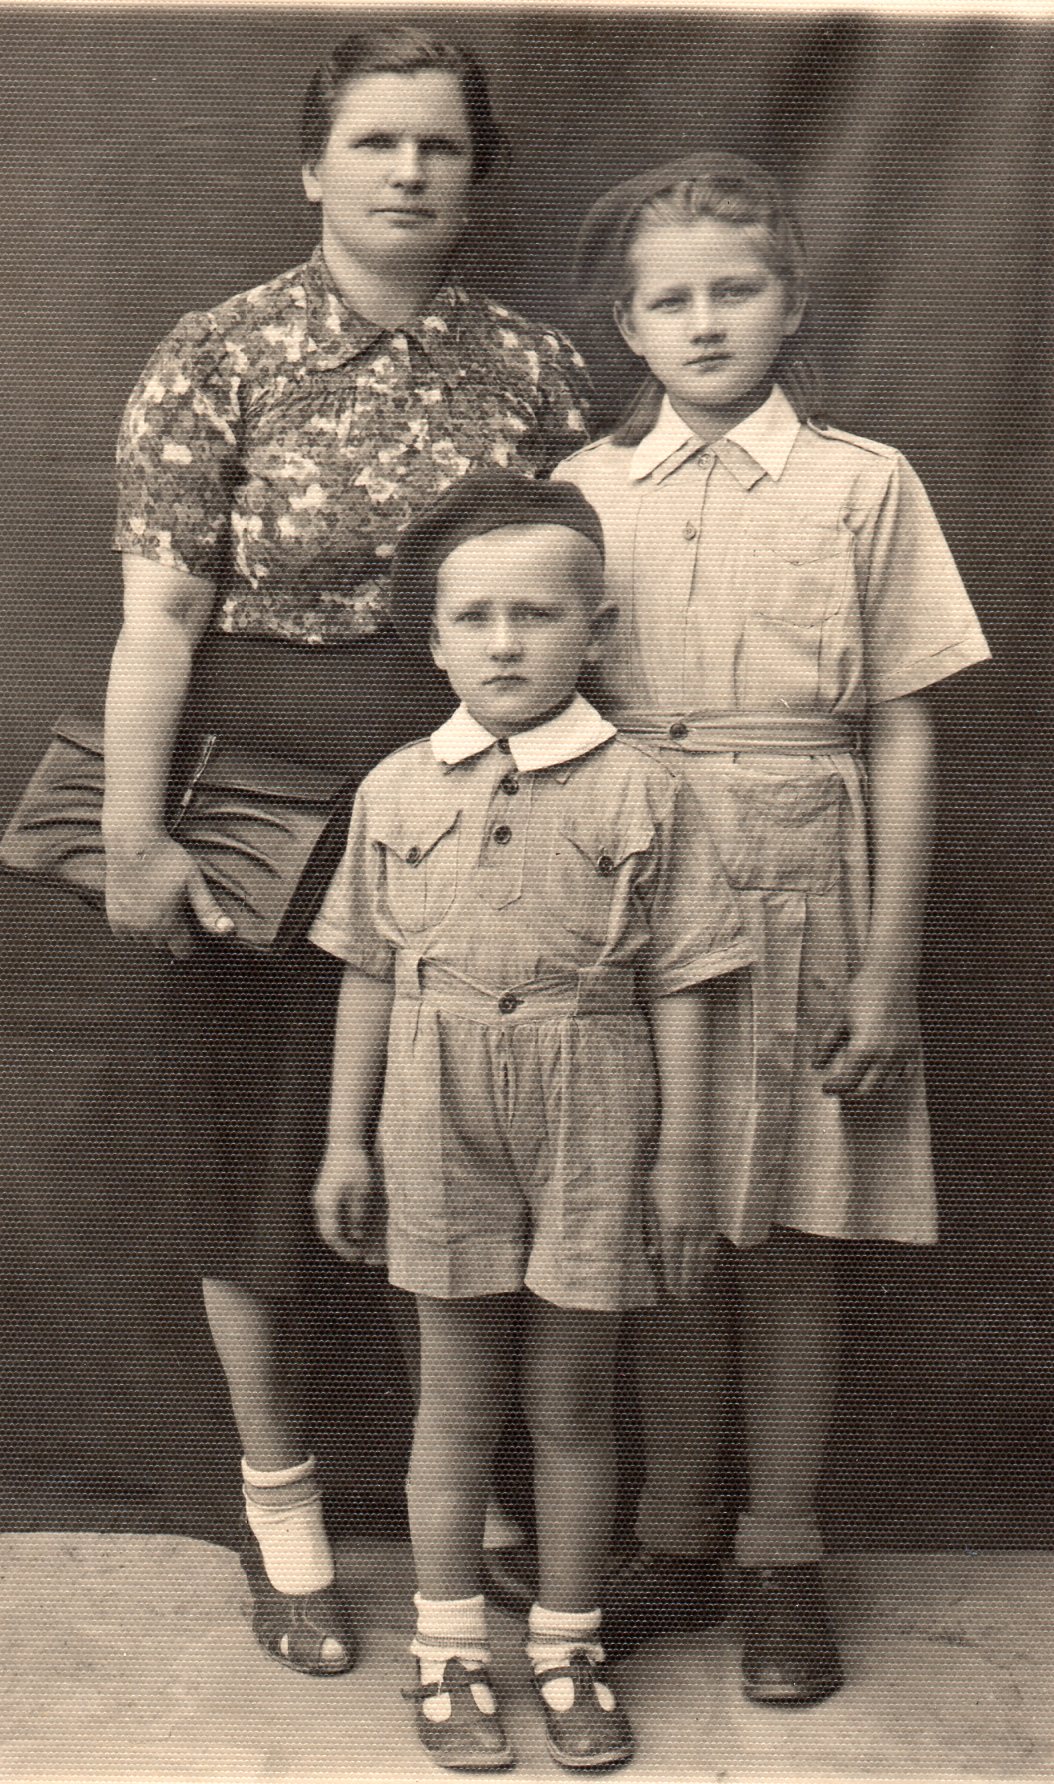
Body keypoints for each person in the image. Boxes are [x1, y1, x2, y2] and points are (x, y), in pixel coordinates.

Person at [101, 27, 591, 1676]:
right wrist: (133, 839)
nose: (407, 174)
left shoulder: (531, 368)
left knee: (448, 1147)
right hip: (253, 815)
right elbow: (160, 617)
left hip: (473, 811)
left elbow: (576, 613)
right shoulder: (217, 354)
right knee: (253, 1165)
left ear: (475, 174)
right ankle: (285, 1510)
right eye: (375, 144)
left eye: (439, 147)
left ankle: (479, 1515)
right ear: (312, 167)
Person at [544, 152, 991, 1702]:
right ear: (628, 328)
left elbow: (908, 730)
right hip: (635, 899)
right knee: (672, 1236)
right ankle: (672, 1540)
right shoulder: (584, 493)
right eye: (671, 300)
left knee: (791, 1238)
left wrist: (888, 966)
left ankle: (781, 1551)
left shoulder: (863, 484)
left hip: (808, 887)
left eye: (735, 289)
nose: (706, 319)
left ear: (790, 303)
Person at [309, 470, 754, 1770]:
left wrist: (676, 1160)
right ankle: (446, 1659)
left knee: (569, 1405)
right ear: (434, 638)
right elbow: (366, 971)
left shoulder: (643, 791)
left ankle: (565, 1647)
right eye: (475, 618)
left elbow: (678, 985)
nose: (504, 643)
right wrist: (345, 1137)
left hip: (593, 1096)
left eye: (535, 615)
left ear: (593, 631)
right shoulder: (397, 788)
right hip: (432, 1100)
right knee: (452, 1405)